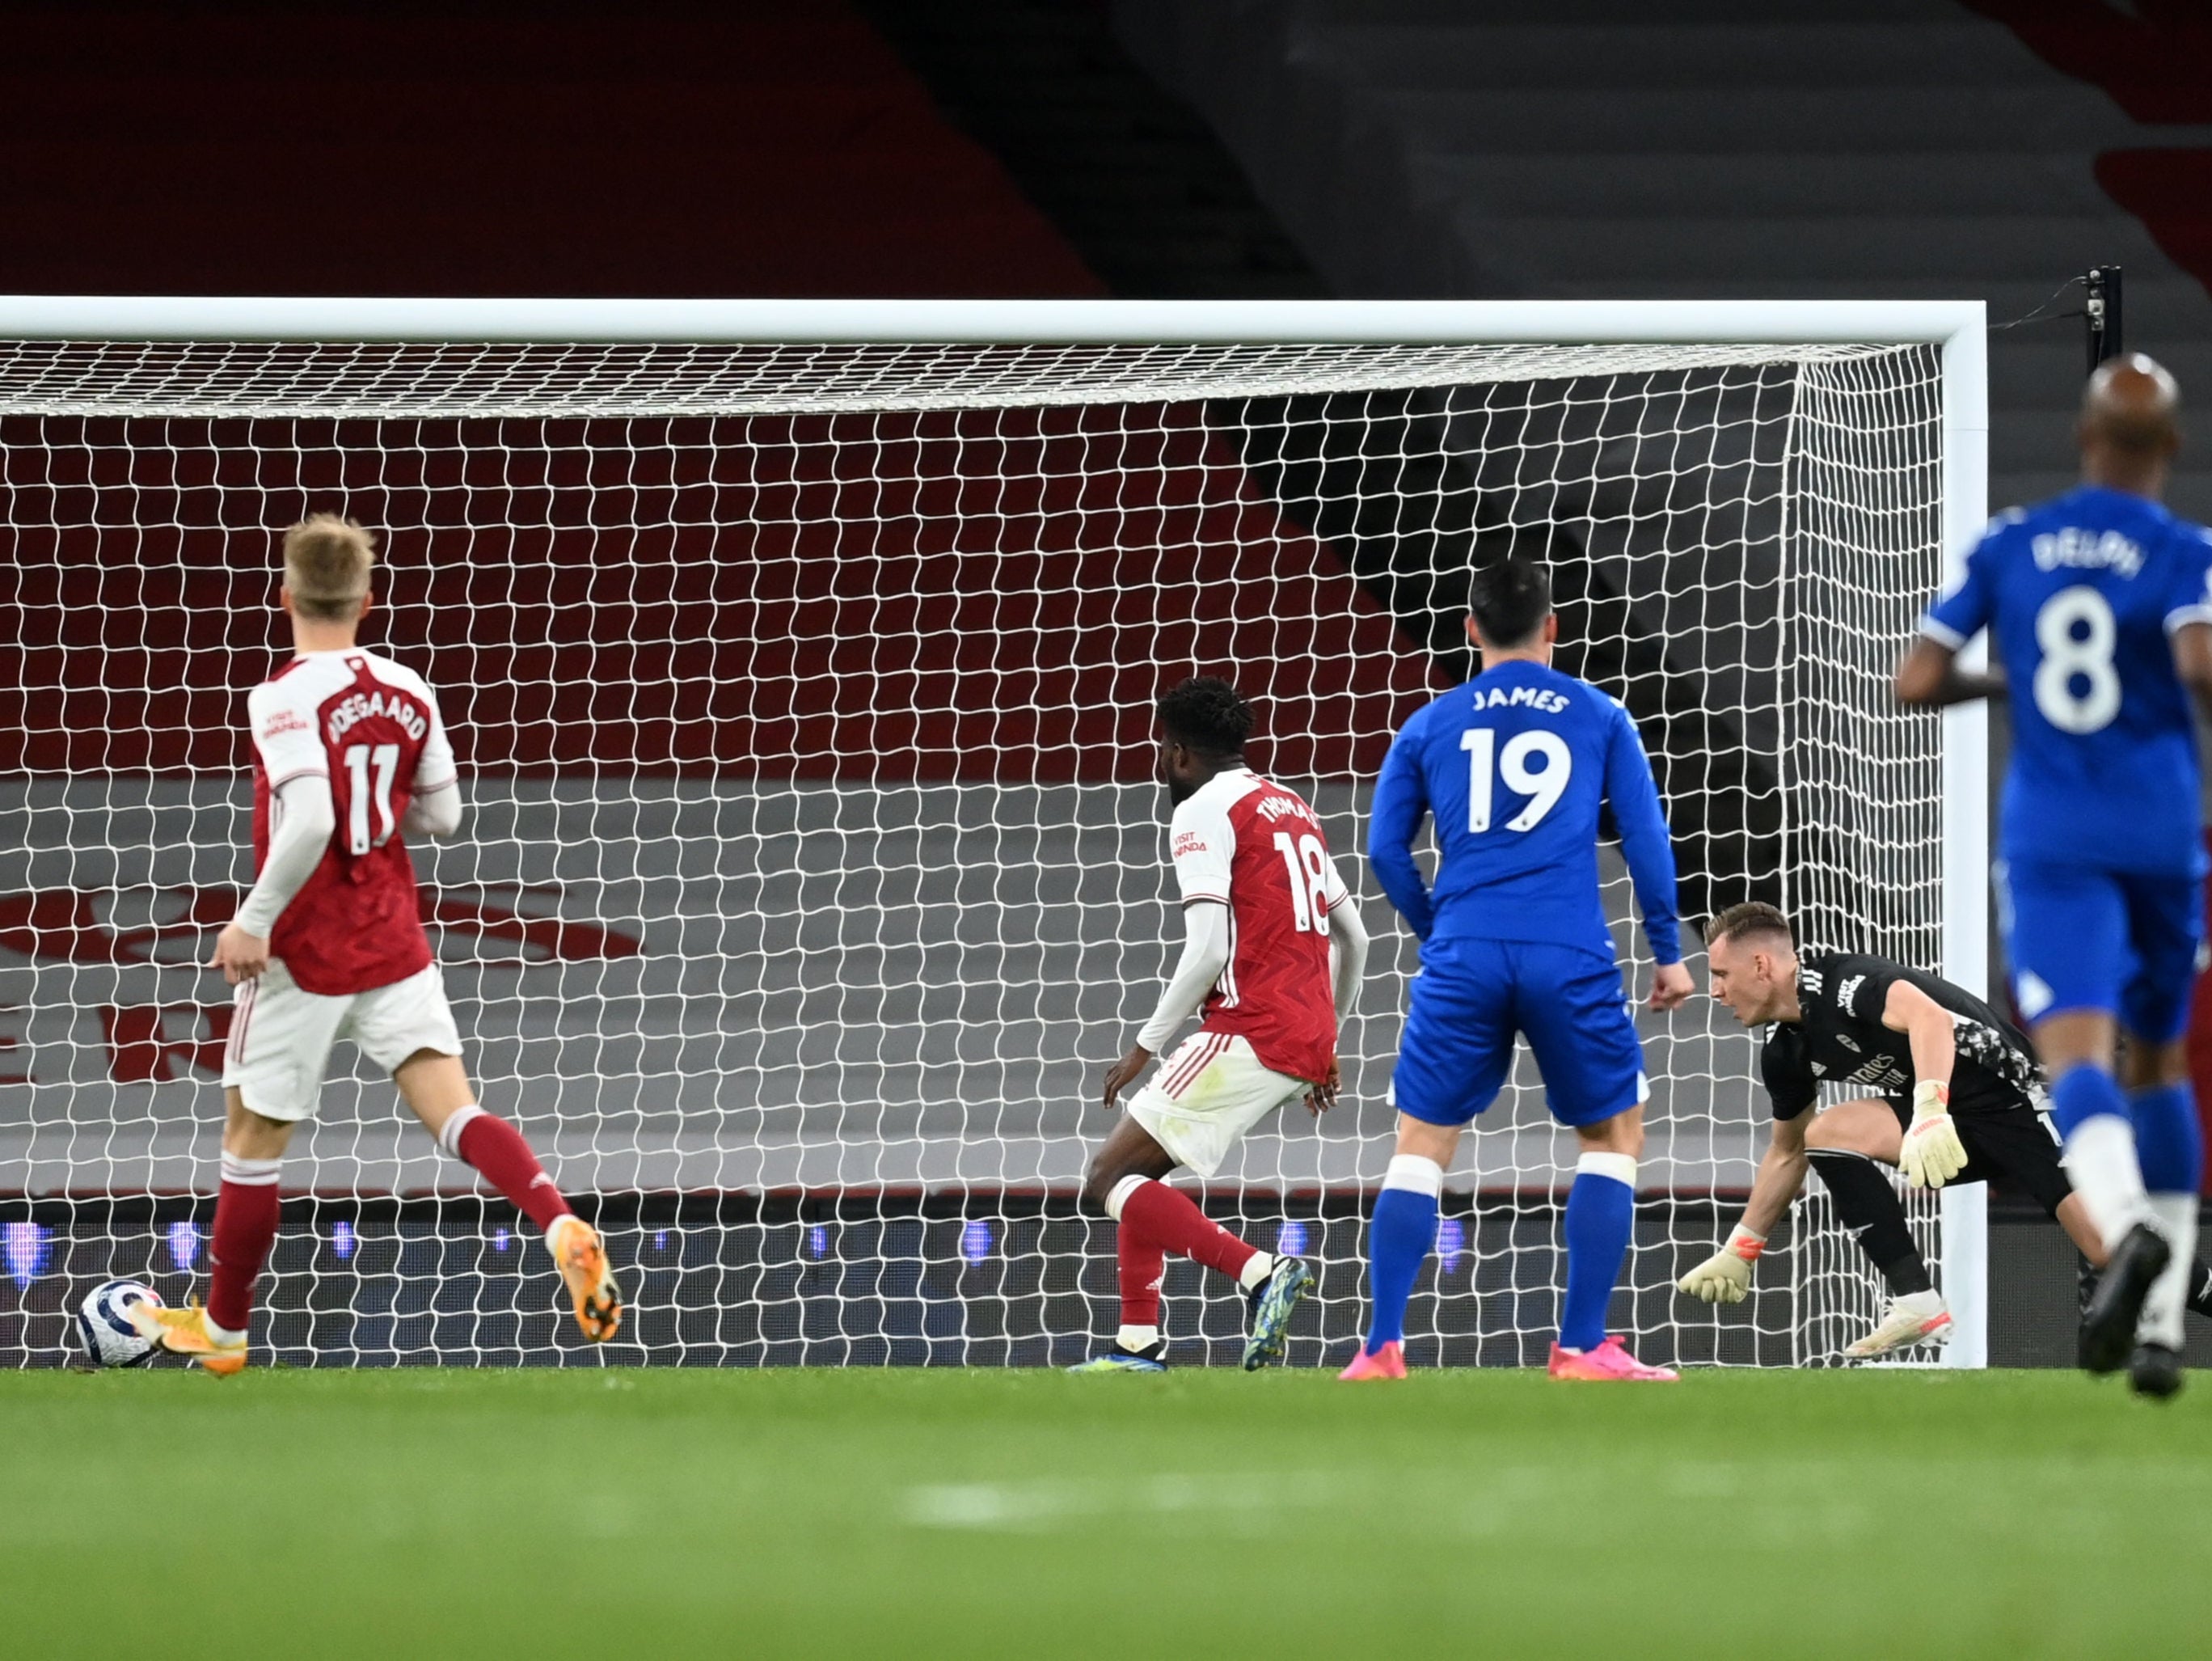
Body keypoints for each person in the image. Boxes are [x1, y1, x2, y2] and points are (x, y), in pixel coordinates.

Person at [132, 514, 622, 1372]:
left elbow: (314, 813)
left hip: (306, 951)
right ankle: (556, 1217)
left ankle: (224, 1329)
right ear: (368, 597)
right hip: (394, 937)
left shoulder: (280, 694)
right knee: (454, 1110)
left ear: (283, 593)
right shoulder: (408, 687)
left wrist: (252, 916)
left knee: (252, 1140)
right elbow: (445, 816)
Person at [1898, 355, 2212, 1397]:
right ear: (2166, 448)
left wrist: (2014, 676)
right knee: (2160, 1059)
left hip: (2056, 835)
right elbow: (2203, 668)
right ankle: (2163, 1331)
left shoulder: (2013, 541)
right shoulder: (2183, 550)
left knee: (2074, 1053)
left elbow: (1920, 678)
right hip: (2163, 831)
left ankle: (2123, 1234)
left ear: (2083, 438)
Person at [1345, 555, 1692, 1383]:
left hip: (1464, 948)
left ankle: (1381, 1345)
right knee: (1613, 1134)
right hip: (1568, 949)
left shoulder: (1429, 723)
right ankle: (1578, 1346)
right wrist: (1669, 953)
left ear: (1470, 629)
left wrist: (1438, 927)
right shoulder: (1602, 713)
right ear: (1554, 628)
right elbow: (1645, 841)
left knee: (1421, 1143)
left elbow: (1385, 849)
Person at [1684, 903, 2212, 1355]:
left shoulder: (1846, 983)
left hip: (2020, 1105)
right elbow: (1785, 1152)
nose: (1715, 992)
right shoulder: (1785, 1053)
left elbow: (1930, 1019)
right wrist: (1741, 1248)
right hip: (1949, 1127)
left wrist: (1930, 1108)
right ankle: (1917, 1301)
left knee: (2107, 1249)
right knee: (1826, 1132)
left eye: (1720, 975)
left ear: (1760, 964)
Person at [1071, 677, 1368, 1372]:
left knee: (1105, 1178)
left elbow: (1206, 949)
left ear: (1176, 753)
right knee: (1143, 1176)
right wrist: (1327, 1042)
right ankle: (1137, 1346)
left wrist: (1144, 1048)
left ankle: (1262, 1271)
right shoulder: (1292, 806)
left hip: (1248, 1026)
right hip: (1300, 1032)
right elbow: (1353, 938)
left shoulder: (1203, 810)